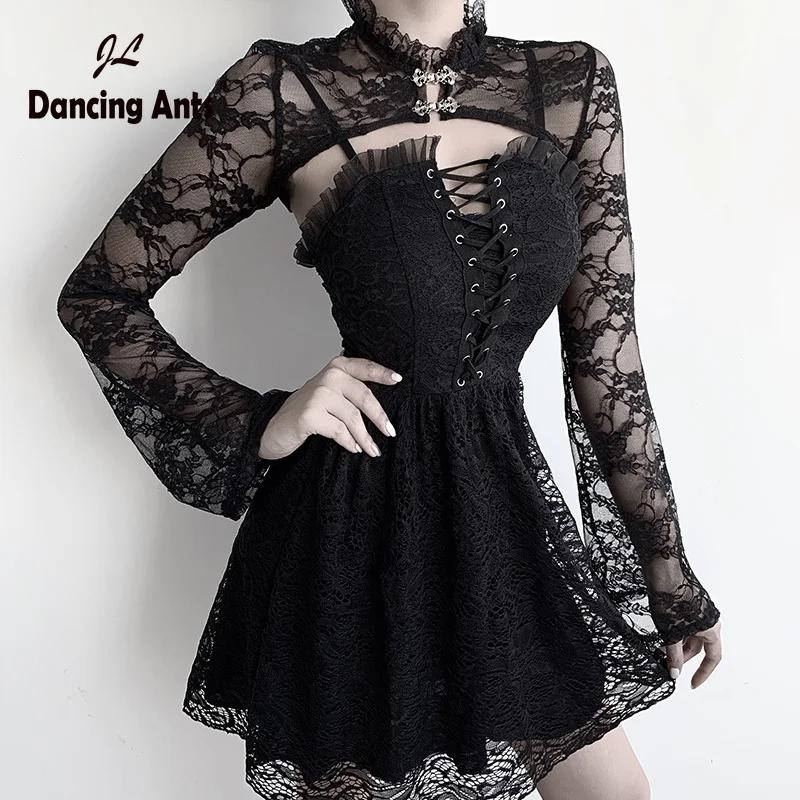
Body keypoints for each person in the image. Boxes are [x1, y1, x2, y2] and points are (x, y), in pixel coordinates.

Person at [55, 1, 722, 798]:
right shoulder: (281, 89)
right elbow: (97, 297)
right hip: (353, 526)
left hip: (502, 515)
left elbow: (607, 354)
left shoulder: (570, 82)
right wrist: (255, 419)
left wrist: (667, 570)